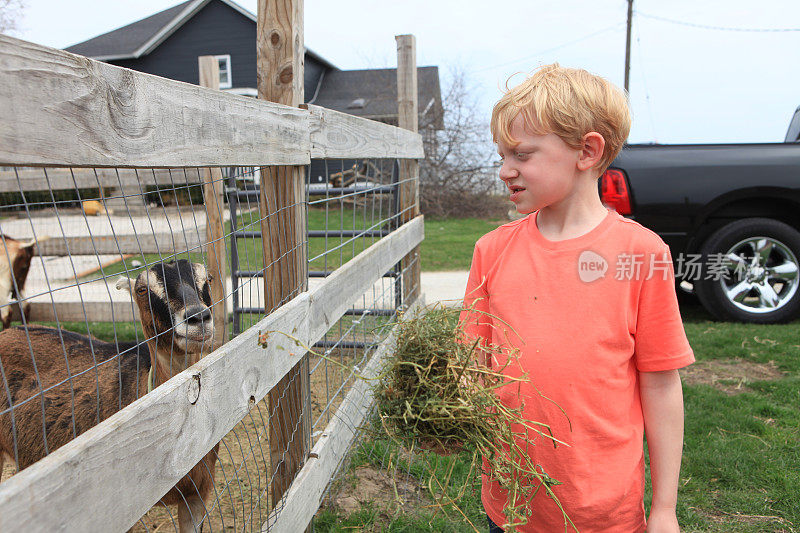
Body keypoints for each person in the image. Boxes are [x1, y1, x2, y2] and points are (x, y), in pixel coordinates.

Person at [460, 63, 694, 532]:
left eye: (522, 154)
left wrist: (663, 508)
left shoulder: (642, 254)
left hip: (601, 511)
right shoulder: (492, 250)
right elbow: (470, 365)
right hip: (510, 506)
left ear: (587, 151)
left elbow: (661, 383)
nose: (506, 170)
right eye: (502, 155)